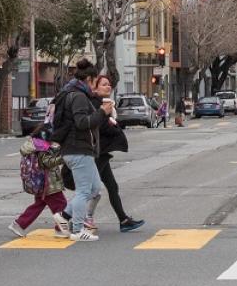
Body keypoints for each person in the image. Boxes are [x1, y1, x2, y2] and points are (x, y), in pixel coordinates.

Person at [51, 59, 111, 242]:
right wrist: (102, 112)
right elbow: (82, 123)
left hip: (80, 149)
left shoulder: (75, 93)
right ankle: (77, 230)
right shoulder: (78, 96)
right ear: (89, 80)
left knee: (95, 188)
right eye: (95, 81)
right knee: (84, 191)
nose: (96, 85)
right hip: (77, 149)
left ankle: (63, 217)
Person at [89, 74, 145, 233]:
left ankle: (123, 220)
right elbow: (99, 126)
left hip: (103, 153)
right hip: (96, 153)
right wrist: (113, 126)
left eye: (109, 84)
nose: (108, 87)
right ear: (95, 87)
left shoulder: (106, 105)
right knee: (90, 189)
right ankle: (71, 218)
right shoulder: (96, 104)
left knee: (112, 187)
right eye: (104, 84)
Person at [9, 124, 68, 238]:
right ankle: (60, 229)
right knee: (61, 205)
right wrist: (62, 159)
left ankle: (19, 224)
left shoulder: (36, 144)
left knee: (38, 205)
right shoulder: (41, 147)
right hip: (48, 183)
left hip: (40, 182)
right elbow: (46, 162)